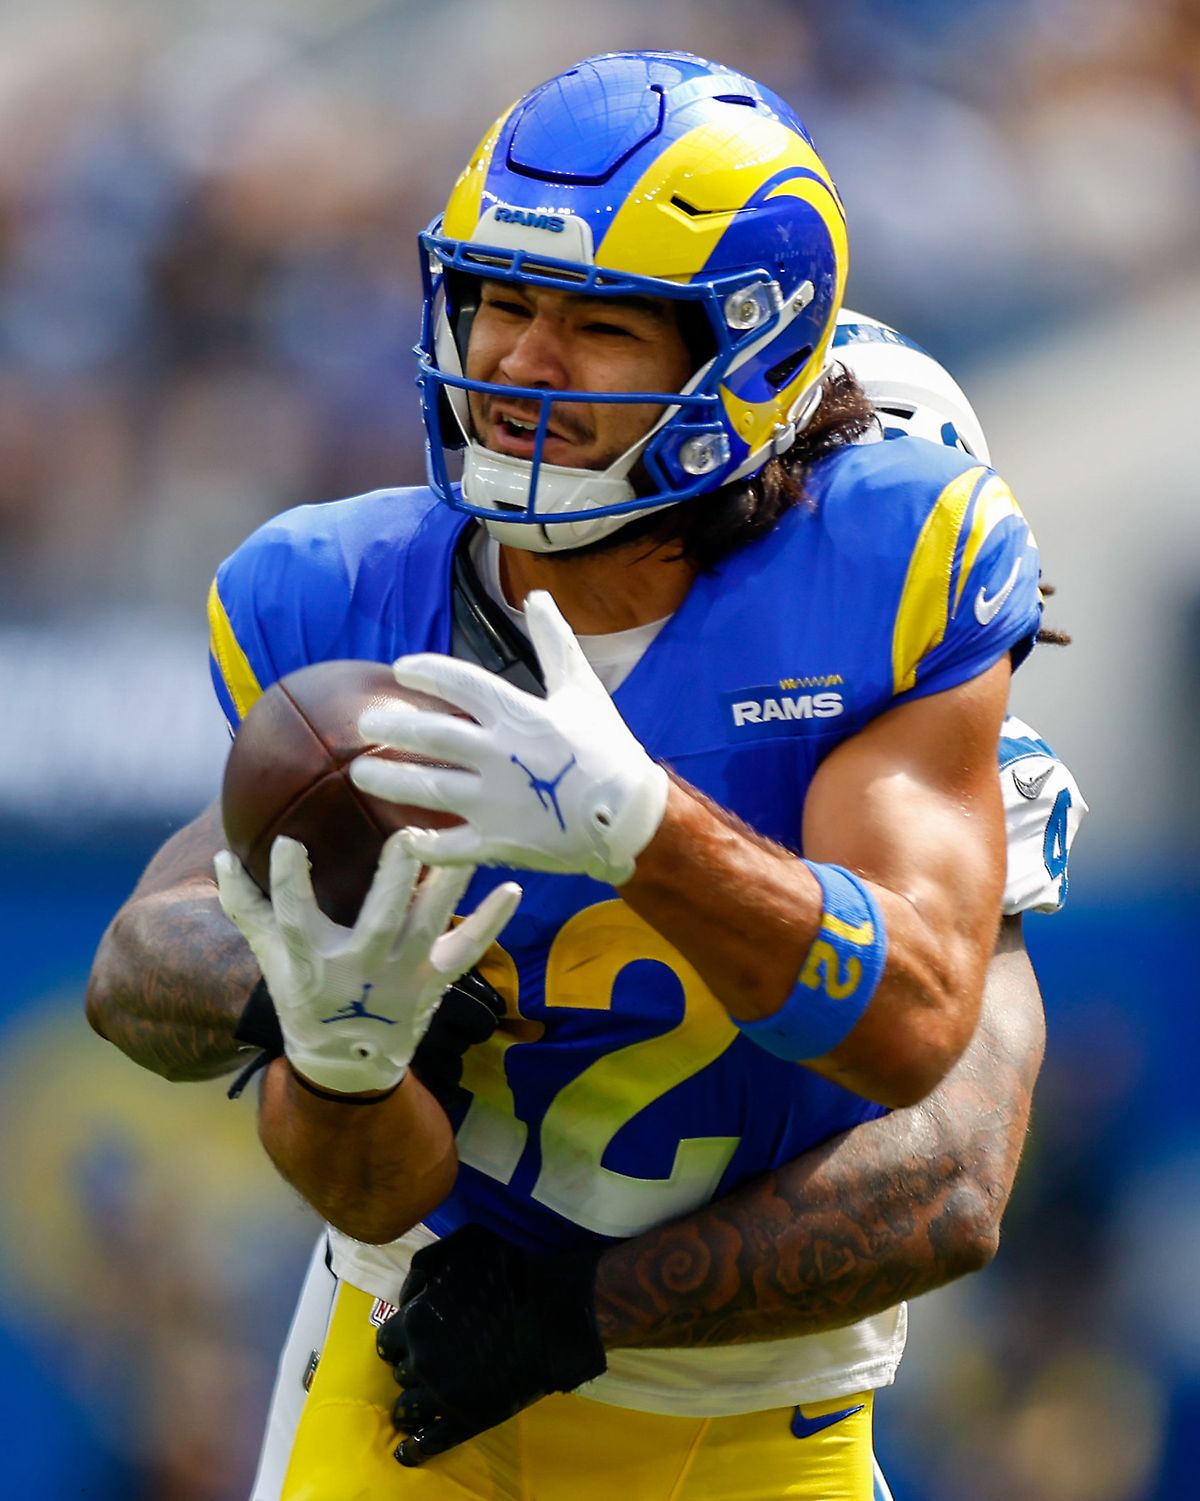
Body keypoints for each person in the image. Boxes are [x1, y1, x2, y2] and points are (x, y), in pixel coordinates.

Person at [87, 51, 1069, 1501]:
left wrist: (643, 826)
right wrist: (322, 1028)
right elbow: (155, 974)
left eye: (600, 322)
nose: (519, 362)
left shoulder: (896, 622)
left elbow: (943, 1165)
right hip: (408, 1363)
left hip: (762, 1415)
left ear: (753, 373)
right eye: (503, 300)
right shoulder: (355, 601)